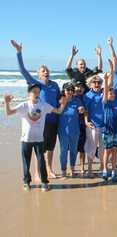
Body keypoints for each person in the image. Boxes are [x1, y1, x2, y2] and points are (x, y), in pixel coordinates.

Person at [11, 40, 61, 179]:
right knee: (40, 149)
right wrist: (19, 52)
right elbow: (22, 70)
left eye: (47, 71)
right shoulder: (36, 85)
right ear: (39, 75)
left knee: (50, 148)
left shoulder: (55, 85)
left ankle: (49, 169)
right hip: (40, 121)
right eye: (43, 71)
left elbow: (59, 101)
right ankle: (38, 172)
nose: (46, 72)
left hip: (54, 120)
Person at [4, 84, 66, 191]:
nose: (36, 94)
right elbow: (9, 113)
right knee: (26, 162)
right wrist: (7, 102)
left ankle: (44, 182)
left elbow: (58, 111)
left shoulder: (43, 105)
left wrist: (64, 104)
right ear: (29, 94)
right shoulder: (24, 105)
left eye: (38, 92)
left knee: (41, 161)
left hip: (39, 139)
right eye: (34, 92)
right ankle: (26, 182)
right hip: (26, 139)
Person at [58, 82, 85, 177]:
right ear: (63, 91)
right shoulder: (60, 100)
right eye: (67, 90)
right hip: (63, 130)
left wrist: (81, 109)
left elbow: (81, 109)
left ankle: (72, 169)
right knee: (63, 151)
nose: (70, 91)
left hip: (75, 130)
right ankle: (63, 171)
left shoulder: (77, 100)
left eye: (71, 90)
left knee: (73, 150)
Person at [83, 74, 105, 178]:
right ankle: (90, 169)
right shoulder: (87, 95)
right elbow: (85, 110)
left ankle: (102, 166)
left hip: (104, 125)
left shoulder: (104, 93)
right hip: (93, 125)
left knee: (103, 148)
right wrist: (86, 121)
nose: (97, 84)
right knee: (91, 147)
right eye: (94, 82)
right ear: (90, 84)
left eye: (99, 83)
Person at [73, 81, 87, 174]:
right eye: (77, 87)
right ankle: (72, 168)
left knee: (82, 148)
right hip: (73, 126)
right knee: (73, 148)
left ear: (84, 89)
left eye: (81, 87)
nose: (79, 88)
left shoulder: (86, 98)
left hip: (83, 125)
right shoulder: (71, 98)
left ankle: (82, 167)